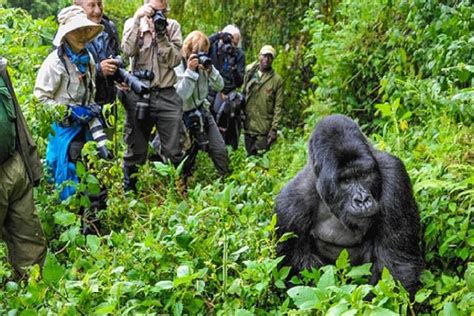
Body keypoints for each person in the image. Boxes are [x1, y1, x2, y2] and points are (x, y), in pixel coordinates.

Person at [34, 5, 109, 202]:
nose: (82, 34)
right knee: (66, 174)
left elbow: (89, 91)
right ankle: (69, 216)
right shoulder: (54, 63)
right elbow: (40, 100)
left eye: (85, 29)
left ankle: (92, 217)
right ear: (66, 34)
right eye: (77, 30)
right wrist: (67, 111)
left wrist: (91, 108)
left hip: (86, 127)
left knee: (94, 170)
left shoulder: (88, 59)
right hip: (63, 129)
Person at [121, 0, 185, 191]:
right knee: (135, 148)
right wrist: (137, 19)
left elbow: (175, 60)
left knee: (174, 149)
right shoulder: (134, 24)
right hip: (139, 93)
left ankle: (176, 189)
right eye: (154, 11)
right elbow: (127, 51)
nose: (159, 15)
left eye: (162, 11)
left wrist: (161, 35)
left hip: (166, 92)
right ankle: (129, 190)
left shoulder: (172, 27)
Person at [0, 56, 47, 280]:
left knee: (30, 241)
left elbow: (16, 118)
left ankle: (33, 299)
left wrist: (30, 163)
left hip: (13, 164)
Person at [175, 31, 229, 178]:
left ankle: (225, 181)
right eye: (198, 52)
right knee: (185, 156)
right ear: (188, 50)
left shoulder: (205, 65)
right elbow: (181, 97)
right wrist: (190, 72)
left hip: (201, 110)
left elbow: (220, 86)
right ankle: (181, 186)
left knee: (219, 149)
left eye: (204, 52)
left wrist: (211, 71)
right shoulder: (177, 64)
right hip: (182, 115)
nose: (201, 56)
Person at [74, 0, 121, 106]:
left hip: (108, 102)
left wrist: (118, 70)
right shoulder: (70, 34)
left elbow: (118, 53)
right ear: (78, 8)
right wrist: (98, 70)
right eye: (92, 5)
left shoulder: (109, 27)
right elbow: (67, 74)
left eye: (100, 4)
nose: (98, 11)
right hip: (83, 106)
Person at [208, 25, 246, 149]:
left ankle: (229, 149)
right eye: (230, 42)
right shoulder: (213, 48)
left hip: (228, 94)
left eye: (235, 44)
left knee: (230, 118)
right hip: (210, 91)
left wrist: (234, 69)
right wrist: (218, 35)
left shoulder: (238, 55)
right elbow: (197, 47)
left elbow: (240, 82)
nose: (232, 47)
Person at [242, 45, 283, 156]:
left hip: (263, 130)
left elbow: (278, 107)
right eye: (265, 56)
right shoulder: (249, 73)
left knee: (261, 162)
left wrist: (274, 129)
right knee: (249, 158)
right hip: (248, 126)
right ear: (259, 56)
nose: (267, 59)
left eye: (270, 57)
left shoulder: (276, 80)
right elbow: (242, 94)